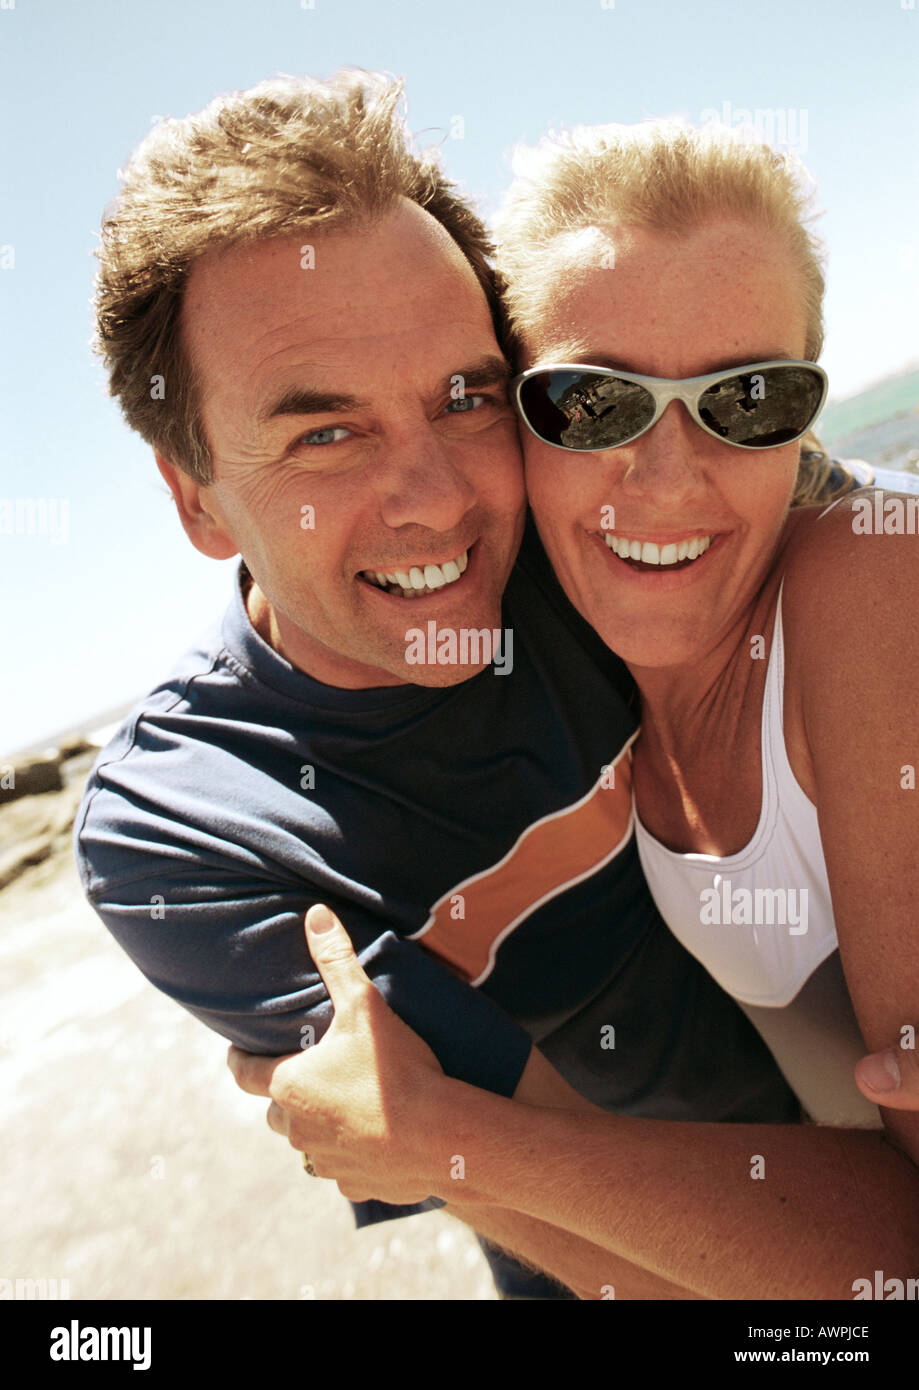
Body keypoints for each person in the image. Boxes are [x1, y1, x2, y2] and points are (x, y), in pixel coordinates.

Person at [76, 73, 817, 1302]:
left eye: (465, 398)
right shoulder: (188, 828)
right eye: (326, 434)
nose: (437, 501)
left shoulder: (603, 532)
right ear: (197, 498)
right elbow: (561, 1201)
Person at [228, 119, 919, 1300]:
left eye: (748, 398)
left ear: (808, 402)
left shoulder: (868, 573)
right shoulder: (565, 655)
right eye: (593, 406)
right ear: (507, 420)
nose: (666, 476)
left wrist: (446, 1139)